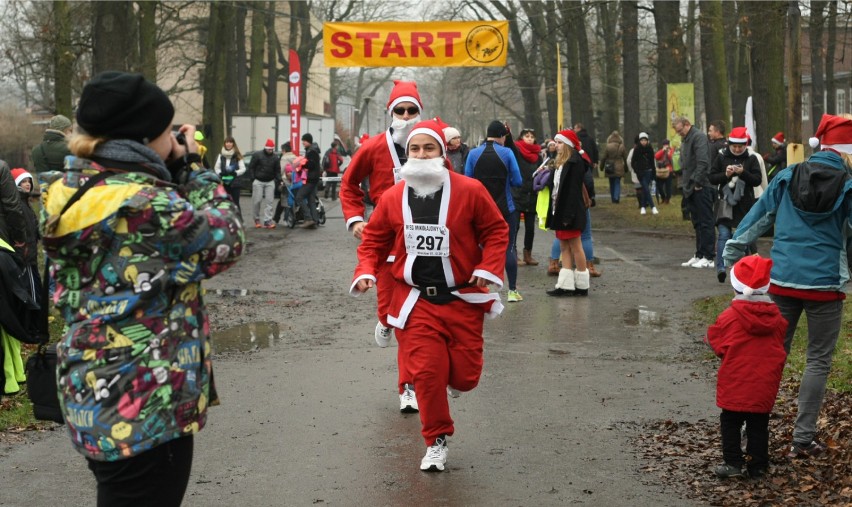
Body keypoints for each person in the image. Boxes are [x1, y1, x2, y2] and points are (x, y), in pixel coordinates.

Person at [38, 71, 244, 506]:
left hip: (91, 391)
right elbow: (226, 240)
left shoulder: (67, 190)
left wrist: (162, 169)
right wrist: (192, 168)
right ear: (148, 136)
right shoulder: (146, 204)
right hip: (146, 401)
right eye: (169, 131)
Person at [350, 119, 508, 472]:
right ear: (407, 156)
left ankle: (453, 383)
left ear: (442, 152)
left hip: (462, 298)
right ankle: (436, 440)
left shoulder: (469, 190)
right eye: (414, 149)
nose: (421, 155)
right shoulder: (392, 197)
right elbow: (374, 240)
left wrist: (488, 268)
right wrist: (364, 271)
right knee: (426, 373)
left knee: (465, 377)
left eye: (428, 148)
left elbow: (496, 230)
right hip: (417, 300)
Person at [723, 113, 852, 460]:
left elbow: (760, 217)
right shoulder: (849, 185)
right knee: (818, 361)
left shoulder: (789, 175)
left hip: (781, 281)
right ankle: (803, 439)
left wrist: (732, 250)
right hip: (826, 285)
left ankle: (753, 433)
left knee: (768, 356)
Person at [340, 80, 422, 413]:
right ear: (391, 113)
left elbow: (452, 190)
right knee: (391, 313)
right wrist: (355, 219)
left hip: (420, 243)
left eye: (411, 110)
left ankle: (408, 387)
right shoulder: (373, 147)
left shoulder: (429, 146)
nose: (406, 116)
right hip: (385, 240)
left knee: (411, 323)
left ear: (419, 112)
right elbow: (348, 185)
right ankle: (385, 320)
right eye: (400, 110)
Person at [705, 255, 787, 479]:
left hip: (735, 382)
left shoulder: (729, 317)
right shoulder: (778, 319)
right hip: (764, 384)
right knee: (759, 425)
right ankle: (758, 466)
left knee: (730, 422)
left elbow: (718, 343)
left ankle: (733, 463)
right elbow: (781, 342)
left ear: (736, 287)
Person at [465, 120, 524, 302]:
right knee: (509, 248)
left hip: (481, 209)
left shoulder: (473, 153)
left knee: (481, 247)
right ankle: (512, 291)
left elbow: (467, 180)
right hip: (506, 208)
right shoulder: (506, 153)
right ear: (502, 136)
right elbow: (518, 180)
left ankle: (482, 291)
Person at [708, 127, 762, 283]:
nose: (737, 149)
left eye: (740, 147)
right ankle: (721, 268)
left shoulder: (751, 159)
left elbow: (756, 180)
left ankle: (744, 270)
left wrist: (742, 172)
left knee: (745, 238)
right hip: (725, 203)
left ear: (745, 146)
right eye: (734, 147)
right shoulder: (721, 158)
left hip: (745, 205)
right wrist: (725, 175)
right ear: (729, 145)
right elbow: (712, 178)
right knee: (724, 235)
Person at [544, 129, 590, 297]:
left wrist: (568, 216)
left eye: (560, 142)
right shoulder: (560, 162)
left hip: (569, 211)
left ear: (569, 145)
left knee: (576, 246)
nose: (556, 145)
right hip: (559, 209)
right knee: (564, 246)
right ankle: (566, 285)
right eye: (556, 142)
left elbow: (572, 192)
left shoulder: (574, 162)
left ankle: (582, 285)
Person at [675, 116, 715, 269]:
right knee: (697, 222)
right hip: (690, 187)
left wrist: (697, 182)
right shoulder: (686, 139)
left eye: (680, 130)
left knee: (706, 222)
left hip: (701, 186)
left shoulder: (698, 137)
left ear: (687, 125)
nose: (679, 134)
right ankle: (699, 253)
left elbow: (703, 162)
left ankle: (709, 256)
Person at [513, 128, 542, 266]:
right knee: (515, 226)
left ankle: (528, 254)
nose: (530, 138)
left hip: (532, 195)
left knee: (530, 227)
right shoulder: (517, 151)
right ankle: (514, 254)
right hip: (518, 193)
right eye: (527, 136)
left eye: (532, 136)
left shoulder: (538, 155)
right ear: (521, 138)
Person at [248, 138, 281, 229]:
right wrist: (253, 178)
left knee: (269, 201)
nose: (270, 151)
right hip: (258, 180)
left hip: (270, 181)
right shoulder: (257, 155)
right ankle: (257, 219)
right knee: (257, 201)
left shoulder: (275, 158)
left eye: (271, 149)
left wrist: (279, 180)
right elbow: (251, 167)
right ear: (265, 148)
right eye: (269, 149)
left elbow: (277, 170)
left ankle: (267, 220)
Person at [213, 136, 247, 217]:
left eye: (230, 142)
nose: (228, 144)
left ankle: (239, 220)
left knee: (235, 202)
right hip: (224, 182)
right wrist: (220, 173)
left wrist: (235, 173)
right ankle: (226, 220)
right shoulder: (220, 155)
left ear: (233, 144)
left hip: (235, 183)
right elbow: (216, 168)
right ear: (224, 144)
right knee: (225, 203)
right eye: (227, 142)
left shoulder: (237, 155)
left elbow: (243, 169)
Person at [297, 133, 322, 229]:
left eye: (304, 141)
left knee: (299, 197)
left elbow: (311, 165)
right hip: (314, 178)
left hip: (311, 179)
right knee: (311, 200)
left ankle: (308, 218)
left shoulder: (312, 152)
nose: (303, 142)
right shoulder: (313, 150)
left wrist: (302, 165)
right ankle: (315, 220)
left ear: (309, 141)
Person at [631, 132, 658, 215]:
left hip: (649, 171)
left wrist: (653, 172)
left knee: (645, 190)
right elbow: (633, 162)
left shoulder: (650, 149)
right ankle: (653, 206)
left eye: (645, 140)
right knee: (646, 188)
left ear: (647, 141)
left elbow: (652, 162)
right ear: (639, 141)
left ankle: (643, 207)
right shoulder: (637, 149)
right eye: (642, 140)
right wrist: (637, 171)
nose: (643, 142)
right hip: (641, 173)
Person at [273, 142, 297, 224]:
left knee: (283, 200)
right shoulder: (295, 157)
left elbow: (281, 170)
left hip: (286, 181)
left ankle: (276, 218)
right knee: (293, 199)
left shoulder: (284, 158)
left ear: (283, 150)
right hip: (295, 181)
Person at [600, 131, 627, 204]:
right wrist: (626, 168)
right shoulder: (622, 146)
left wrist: (601, 166)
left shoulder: (608, 146)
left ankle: (613, 198)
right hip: (619, 166)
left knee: (611, 183)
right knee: (617, 182)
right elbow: (625, 158)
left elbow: (604, 158)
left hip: (610, 166)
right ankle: (616, 198)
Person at [654, 139, 674, 205]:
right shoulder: (661, 151)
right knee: (659, 186)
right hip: (661, 171)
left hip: (669, 171)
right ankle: (663, 197)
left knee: (668, 186)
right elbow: (656, 157)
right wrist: (662, 150)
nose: (666, 146)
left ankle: (667, 199)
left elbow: (671, 157)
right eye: (665, 145)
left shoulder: (671, 150)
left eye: (667, 144)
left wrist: (668, 152)